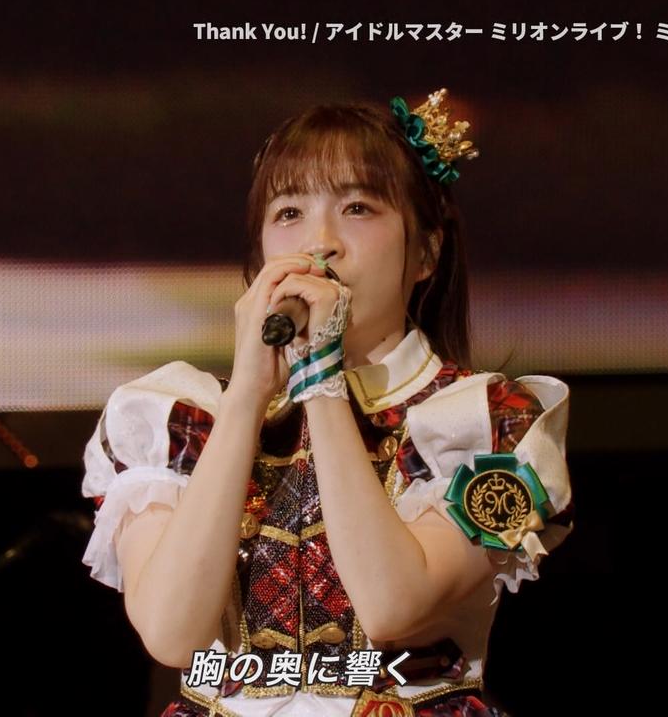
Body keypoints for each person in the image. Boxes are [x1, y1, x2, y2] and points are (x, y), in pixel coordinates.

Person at [81, 88, 574, 717]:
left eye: (358, 207)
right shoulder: (178, 419)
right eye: (289, 212)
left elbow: (392, 603)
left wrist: (321, 377)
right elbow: (171, 634)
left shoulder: (488, 419)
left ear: (426, 253)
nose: (320, 243)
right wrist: (247, 395)